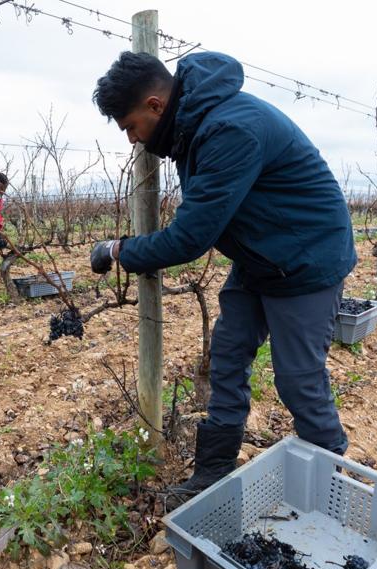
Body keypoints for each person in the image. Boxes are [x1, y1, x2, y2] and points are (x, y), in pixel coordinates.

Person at [90, 51, 357, 511]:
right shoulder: (193, 127)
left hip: (306, 260)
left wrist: (119, 250)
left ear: (155, 105)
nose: (134, 140)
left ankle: (329, 485)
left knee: (298, 379)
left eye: (131, 126)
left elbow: (189, 238)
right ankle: (213, 470)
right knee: (228, 357)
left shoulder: (228, 129)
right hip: (261, 257)